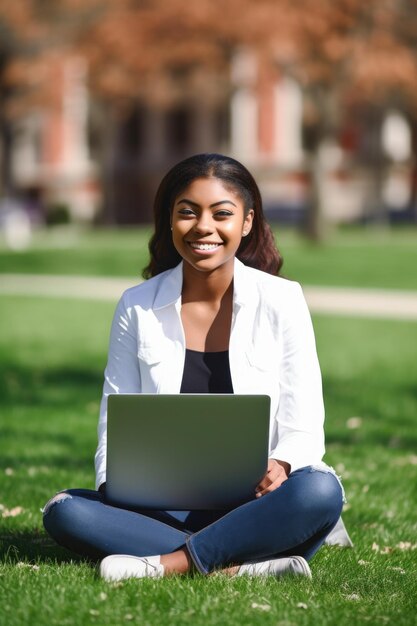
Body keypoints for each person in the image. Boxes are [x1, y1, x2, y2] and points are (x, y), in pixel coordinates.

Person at [43, 153, 347, 581]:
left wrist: (282, 465)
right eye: (188, 212)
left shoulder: (283, 300)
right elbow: (116, 417)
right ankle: (240, 563)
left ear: (246, 222)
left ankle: (169, 564)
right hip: (164, 503)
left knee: (319, 490)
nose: (203, 227)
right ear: (170, 220)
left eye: (221, 214)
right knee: (64, 510)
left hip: (259, 500)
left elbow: (305, 425)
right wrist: (117, 485)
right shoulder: (137, 306)